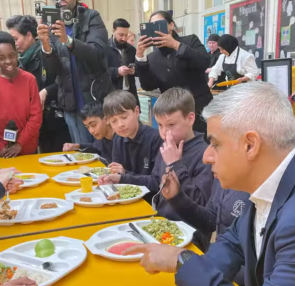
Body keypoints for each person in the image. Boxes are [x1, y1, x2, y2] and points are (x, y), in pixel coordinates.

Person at [124, 82, 295, 286]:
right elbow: (231, 244)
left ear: (250, 145)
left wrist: (183, 261)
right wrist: (184, 261)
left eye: (215, 144)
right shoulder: (263, 192)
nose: (207, 156)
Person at [100, 88, 213, 219]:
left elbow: (200, 204)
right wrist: (122, 178)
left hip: (189, 232)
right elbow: (155, 182)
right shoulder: (167, 146)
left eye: (171, 124)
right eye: (159, 125)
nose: (164, 132)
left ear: (190, 119)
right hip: (160, 220)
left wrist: (175, 165)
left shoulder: (205, 155)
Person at [37, 0, 114, 144]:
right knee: (82, 152)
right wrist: (45, 45)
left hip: (96, 101)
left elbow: (98, 53)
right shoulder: (50, 23)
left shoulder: (91, 17)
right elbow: (52, 71)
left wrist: (68, 40)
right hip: (71, 105)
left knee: (107, 153)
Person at [136, 10, 212, 135]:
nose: (156, 28)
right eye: (151, 25)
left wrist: (176, 45)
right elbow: (148, 85)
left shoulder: (190, 41)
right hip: (172, 114)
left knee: (205, 144)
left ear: (171, 25)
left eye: (159, 23)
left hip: (200, 108)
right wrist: (140, 57)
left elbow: (204, 62)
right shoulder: (152, 57)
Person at [6, 15, 71, 153]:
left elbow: (64, 80)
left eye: (16, 39)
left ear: (29, 35)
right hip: (34, 122)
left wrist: (46, 91)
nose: (14, 44)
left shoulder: (47, 51)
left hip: (54, 119)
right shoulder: (19, 59)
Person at [0, 31, 42, 158]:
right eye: (1, 58)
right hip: (0, 151)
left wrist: (20, 143)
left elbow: (36, 117)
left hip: (27, 148)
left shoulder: (29, 80)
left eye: (12, 55)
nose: (8, 61)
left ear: (17, 53)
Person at [100, 90, 162, 175]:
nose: (120, 124)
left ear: (136, 112)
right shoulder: (118, 139)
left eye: (124, 117)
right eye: (114, 121)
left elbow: (156, 181)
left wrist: (125, 174)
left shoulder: (155, 138)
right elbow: (117, 173)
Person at [106, 18, 140, 106]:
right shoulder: (104, 49)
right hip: (112, 95)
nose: (124, 38)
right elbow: (98, 72)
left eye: (126, 35)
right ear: (113, 31)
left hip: (130, 94)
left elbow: (140, 69)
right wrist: (116, 71)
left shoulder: (132, 50)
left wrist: (134, 70)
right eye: (121, 35)